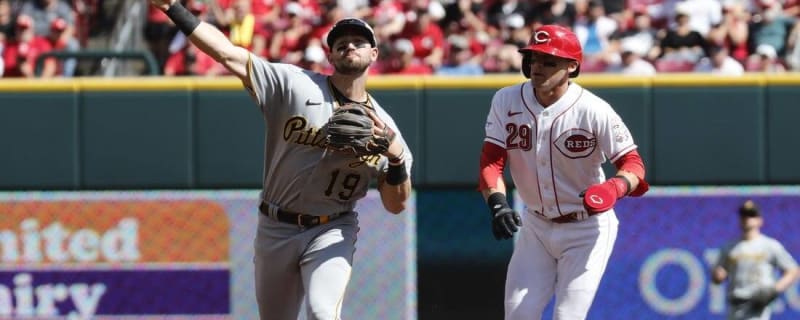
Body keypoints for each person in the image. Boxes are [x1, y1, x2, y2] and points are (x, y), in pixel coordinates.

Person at [147, 1, 413, 318]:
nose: (349, 45)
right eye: (341, 43)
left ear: (374, 54)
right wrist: (174, 8)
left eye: (359, 41)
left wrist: (395, 162)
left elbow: (396, 204)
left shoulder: (386, 129)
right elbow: (227, 53)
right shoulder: (294, 84)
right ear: (330, 56)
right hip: (276, 225)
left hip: (332, 228)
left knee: (322, 312)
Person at [477, 24, 649, 320]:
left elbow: (634, 164)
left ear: (572, 66)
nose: (537, 67)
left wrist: (613, 188)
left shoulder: (594, 110)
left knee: (567, 316)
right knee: (518, 315)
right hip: (536, 226)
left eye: (548, 61)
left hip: (587, 229)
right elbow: (492, 160)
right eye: (533, 58)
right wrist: (497, 204)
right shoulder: (506, 100)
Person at [711, 200, 799, 320]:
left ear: (759, 220)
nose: (747, 218)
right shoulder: (729, 247)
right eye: (744, 215)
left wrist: (774, 290)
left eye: (752, 215)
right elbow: (717, 275)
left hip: (757, 306)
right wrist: (718, 275)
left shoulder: (769, 245)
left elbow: (793, 270)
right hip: (735, 305)